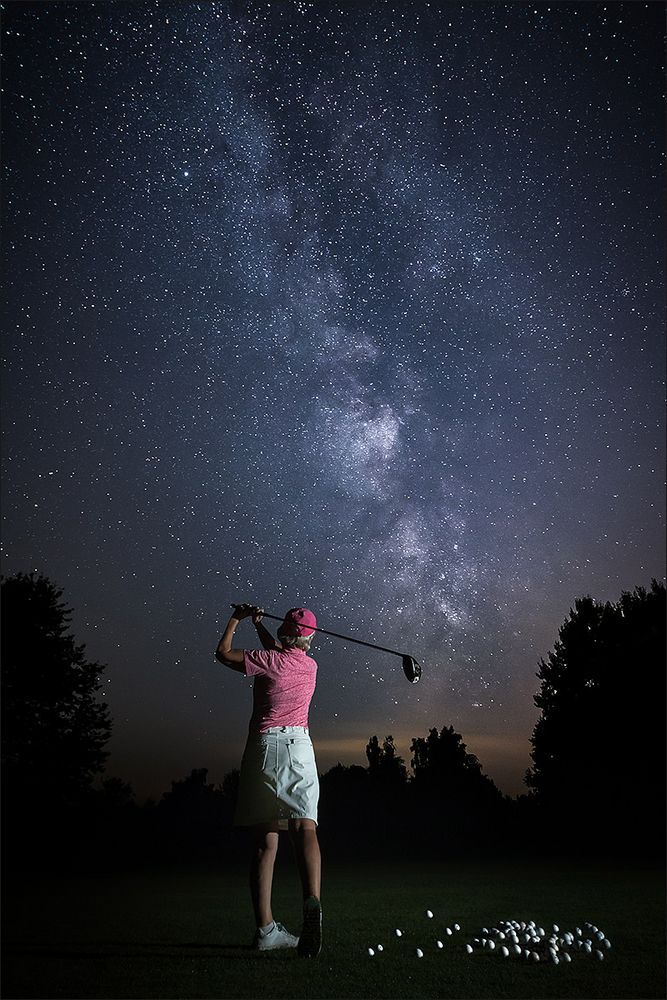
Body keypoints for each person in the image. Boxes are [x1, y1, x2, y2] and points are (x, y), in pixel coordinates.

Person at [216, 603, 323, 957]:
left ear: (283, 633)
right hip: (300, 747)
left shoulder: (268, 660)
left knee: (266, 841)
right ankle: (312, 900)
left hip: (265, 748)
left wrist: (239, 619)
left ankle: (265, 930)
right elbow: (283, 655)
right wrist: (261, 628)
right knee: (305, 828)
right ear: (308, 638)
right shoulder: (310, 666)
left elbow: (224, 655)